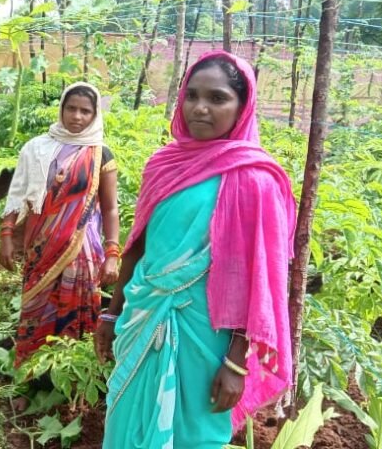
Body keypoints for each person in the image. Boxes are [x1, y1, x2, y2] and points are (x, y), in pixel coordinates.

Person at [95, 50, 297, 448]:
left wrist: (237, 361)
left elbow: (258, 280)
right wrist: (111, 312)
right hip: (143, 314)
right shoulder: (164, 164)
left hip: (205, 333)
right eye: (192, 95)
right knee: (125, 422)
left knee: (194, 434)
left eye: (218, 98)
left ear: (242, 107)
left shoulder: (255, 181)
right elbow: (139, 247)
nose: (200, 108)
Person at [0, 82, 121, 369]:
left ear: (95, 115)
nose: (77, 116)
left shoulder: (101, 154)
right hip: (41, 247)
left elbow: (112, 208)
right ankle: (28, 379)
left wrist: (112, 254)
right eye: (71, 108)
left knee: (74, 317)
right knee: (35, 311)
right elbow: (17, 196)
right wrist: (6, 236)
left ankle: (67, 387)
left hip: (83, 251)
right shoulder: (37, 148)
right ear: (61, 109)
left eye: (85, 111)